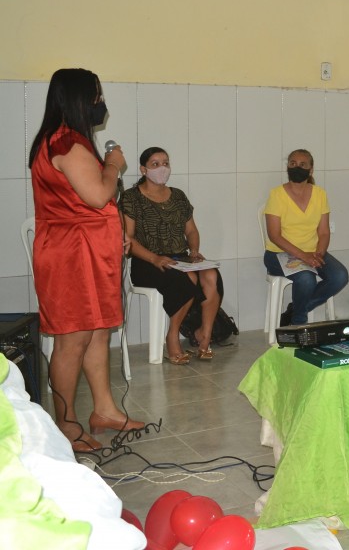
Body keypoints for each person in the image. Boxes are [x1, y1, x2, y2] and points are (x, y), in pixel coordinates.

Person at [28, 68, 145, 452]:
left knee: (98, 331)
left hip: (90, 252)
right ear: (78, 100)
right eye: (95, 96)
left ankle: (105, 410)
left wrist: (117, 234)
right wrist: (113, 163)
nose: (100, 103)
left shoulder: (70, 140)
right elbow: (97, 196)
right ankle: (66, 424)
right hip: (71, 257)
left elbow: (88, 205)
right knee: (72, 340)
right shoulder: (66, 143)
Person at [121, 147, 224, 363]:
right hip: (147, 261)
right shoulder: (131, 198)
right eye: (155, 164)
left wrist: (194, 251)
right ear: (143, 169)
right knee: (186, 280)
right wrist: (154, 258)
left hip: (180, 258)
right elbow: (128, 239)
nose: (162, 168)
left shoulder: (178, 196)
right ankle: (172, 336)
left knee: (211, 275)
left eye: (166, 163)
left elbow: (192, 231)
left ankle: (204, 337)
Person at [263, 149, 349, 326]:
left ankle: (296, 310)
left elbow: (324, 232)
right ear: (287, 167)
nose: (297, 167)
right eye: (292, 163)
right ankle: (298, 325)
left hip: (313, 252)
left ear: (311, 170)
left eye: (302, 164)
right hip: (278, 254)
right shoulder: (277, 194)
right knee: (306, 278)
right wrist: (304, 257)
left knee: (340, 276)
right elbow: (274, 235)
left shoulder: (320, 194)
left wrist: (319, 253)